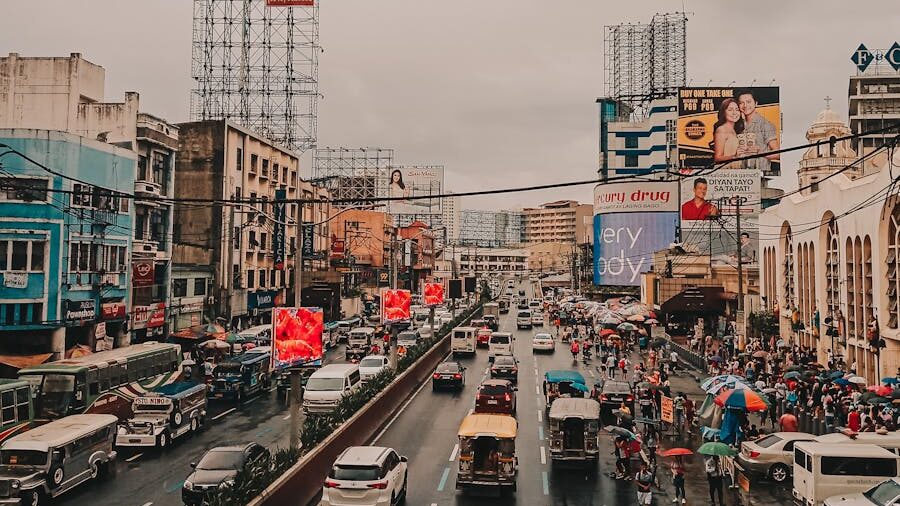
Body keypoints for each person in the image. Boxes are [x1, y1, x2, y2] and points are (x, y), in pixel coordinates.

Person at [737, 89, 779, 172]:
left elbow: (778, 154)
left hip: (760, 174)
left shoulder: (765, 124)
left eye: (749, 102)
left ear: (756, 103)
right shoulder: (739, 125)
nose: (745, 105)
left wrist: (760, 151)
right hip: (741, 174)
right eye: (741, 103)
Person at [712, 97, 743, 164]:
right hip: (726, 170)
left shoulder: (736, 130)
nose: (734, 113)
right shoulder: (721, 130)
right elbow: (717, 158)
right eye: (730, 110)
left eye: (737, 109)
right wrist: (735, 157)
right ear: (724, 112)